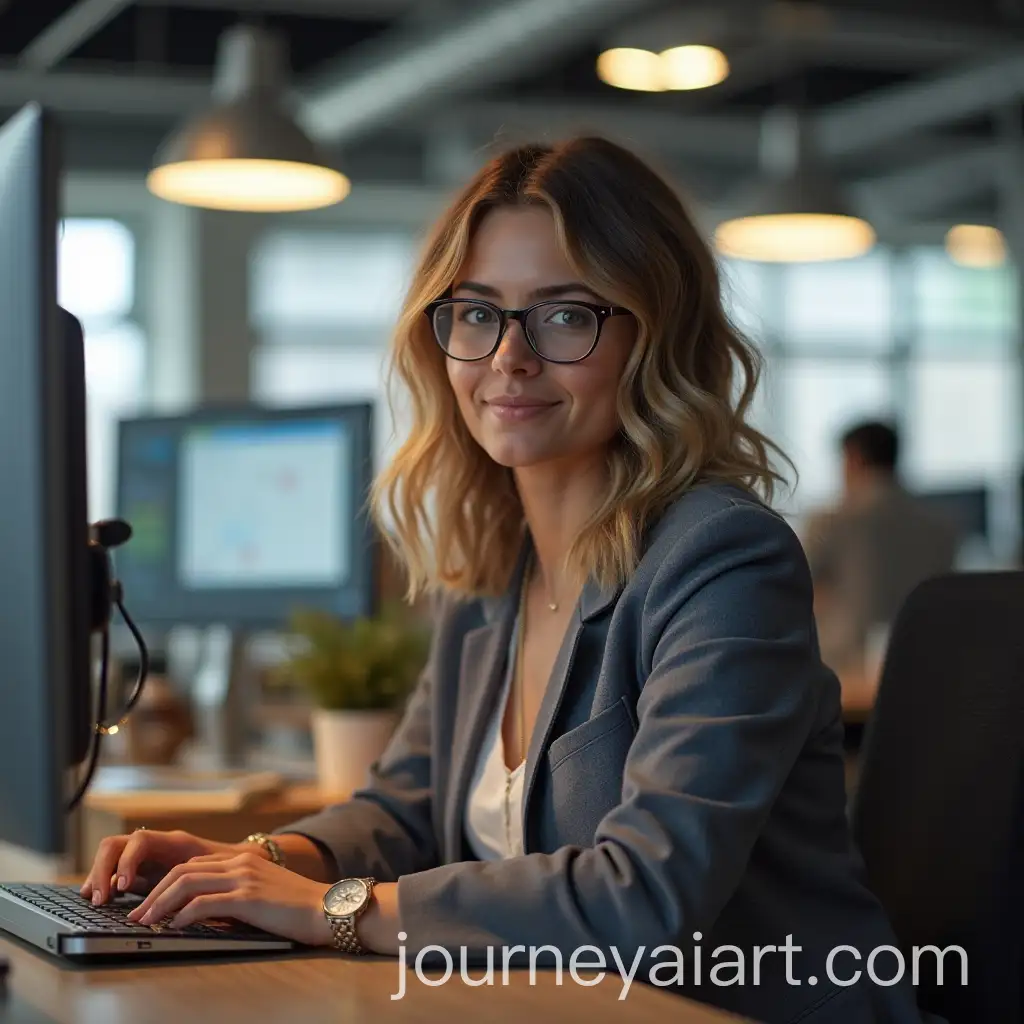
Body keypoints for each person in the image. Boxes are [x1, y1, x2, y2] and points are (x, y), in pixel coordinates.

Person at [81, 138, 936, 1023]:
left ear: (654, 335)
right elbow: (406, 811)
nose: (509, 357)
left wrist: (334, 909)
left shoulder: (723, 558)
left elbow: (647, 895)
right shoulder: (494, 567)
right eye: (477, 312)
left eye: (565, 315)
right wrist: (254, 862)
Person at [803, 420, 959, 683]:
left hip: (846, 666)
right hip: (927, 661)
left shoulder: (830, 522)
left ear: (854, 458)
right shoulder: (941, 525)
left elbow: (798, 591)